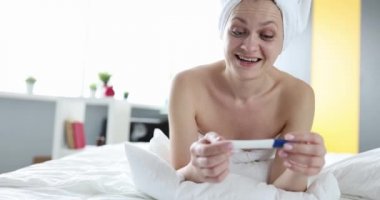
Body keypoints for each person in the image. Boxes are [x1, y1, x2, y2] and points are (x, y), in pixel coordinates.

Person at [168, 0, 325, 192]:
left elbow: (283, 189)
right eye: (237, 31)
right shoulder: (186, 85)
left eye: (266, 36)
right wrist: (196, 169)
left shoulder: (298, 96)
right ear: (223, 30)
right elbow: (180, 176)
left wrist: (301, 169)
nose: (249, 46)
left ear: (283, 41)